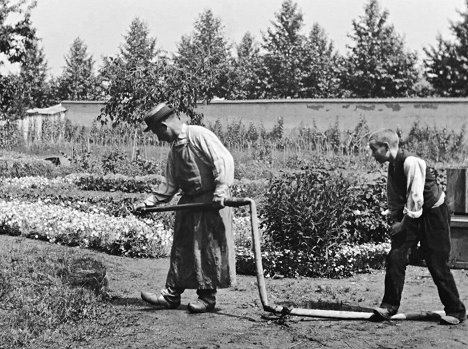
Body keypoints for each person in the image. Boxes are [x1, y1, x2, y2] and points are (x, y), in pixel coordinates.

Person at [134, 102, 236, 313]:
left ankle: (207, 298)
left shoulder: (198, 135)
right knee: (181, 250)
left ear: (164, 125)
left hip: (210, 203)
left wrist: (221, 191)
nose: (158, 138)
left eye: (156, 132)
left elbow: (223, 160)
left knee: (207, 250)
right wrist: (150, 202)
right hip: (189, 203)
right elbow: (170, 183)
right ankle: (171, 295)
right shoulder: (175, 149)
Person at [367, 129, 466, 325]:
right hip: (413, 213)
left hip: (433, 213)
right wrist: (396, 220)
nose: (372, 154)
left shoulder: (412, 162)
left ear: (386, 147)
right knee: (396, 255)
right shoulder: (392, 165)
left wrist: (403, 224)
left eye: (374, 150)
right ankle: (389, 306)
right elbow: (394, 197)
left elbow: (416, 198)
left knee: (436, 262)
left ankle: (456, 310)